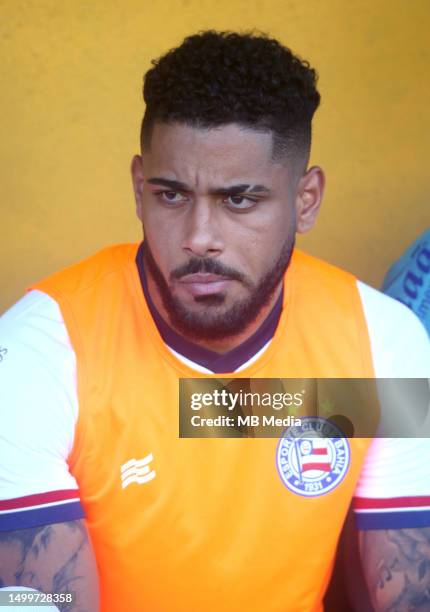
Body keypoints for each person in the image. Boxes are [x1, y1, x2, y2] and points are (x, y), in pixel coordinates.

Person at [0, 30, 429, 612]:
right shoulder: (38, 352)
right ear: (137, 187)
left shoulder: (385, 345)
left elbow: (410, 592)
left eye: (239, 200)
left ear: (306, 199)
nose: (199, 237)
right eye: (172, 196)